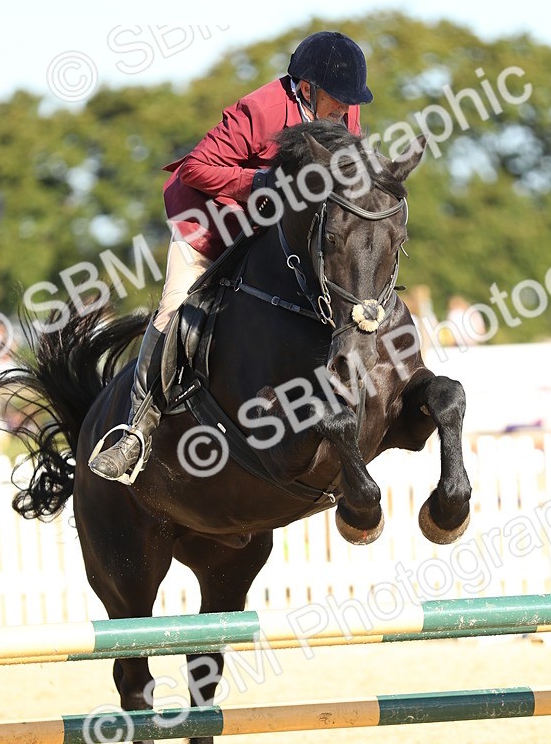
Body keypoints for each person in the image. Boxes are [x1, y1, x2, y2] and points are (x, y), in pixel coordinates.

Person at [89, 31, 373, 483]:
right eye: (339, 99)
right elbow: (196, 167)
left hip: (273, 229)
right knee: (174, 307)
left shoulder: (343, 109)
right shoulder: (259, 109)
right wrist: (260, 183)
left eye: (350, 101)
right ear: (306, 89)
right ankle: (136, 429)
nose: (346, 110)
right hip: (208, 220)